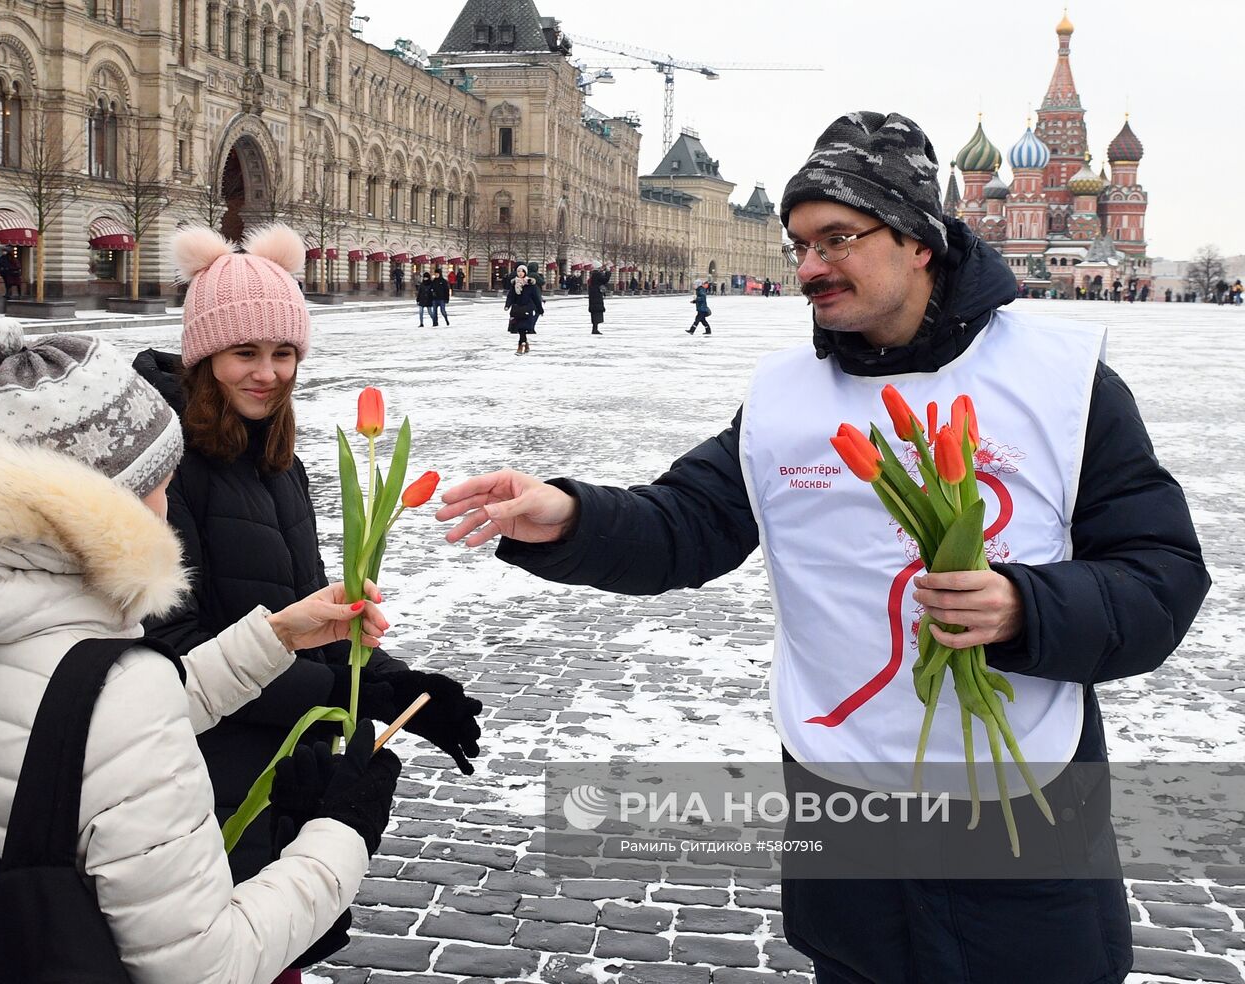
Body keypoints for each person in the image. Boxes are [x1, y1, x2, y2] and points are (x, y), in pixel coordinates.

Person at [435, 111, 1210, 984]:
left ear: (919, 239)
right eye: (799, 243)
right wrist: (571, 517)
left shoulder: (1062, 383)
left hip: (1020, 801)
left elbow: (1164, 576)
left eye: (837, 238)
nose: (807, 267)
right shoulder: (786, 398)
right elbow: (689, 523)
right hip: (845, 804)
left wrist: (1027, 606)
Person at [0, 318, 403, 984]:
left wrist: (279, 635)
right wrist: (343, 831)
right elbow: (206, 967)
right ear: (104, 500)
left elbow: (78, 727)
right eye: (161, 481)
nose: (169, 503)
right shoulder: (117, 688)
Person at [133, 225, 483, 980]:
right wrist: (334, 691)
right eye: (245, 353)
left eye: (283, 353)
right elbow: (174, 646)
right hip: (202, 784)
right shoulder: (168, 468)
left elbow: (307, 612)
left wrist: (389, 681)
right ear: (203, 356)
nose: (267, 373)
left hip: (281, 764)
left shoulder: (275, 456)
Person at [505, 262, 544, 355]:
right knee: (519, 329)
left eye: (522, 272)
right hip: (517, 309)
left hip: (527, 309)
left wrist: (540, 309)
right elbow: (510, 296)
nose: (520, 273)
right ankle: (525, 344)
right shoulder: (514, 284)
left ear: (525, 273)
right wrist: (507, 305)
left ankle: (520, 347)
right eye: (518, 271)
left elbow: (536, 298)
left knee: (522, 328)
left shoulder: (530, 284)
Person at [587, 266, 610, 335]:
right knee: (597, 313)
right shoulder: (597, 275)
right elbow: (605, 280)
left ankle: (595, 328)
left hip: (593, 297)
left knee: (594, 314)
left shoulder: (593, 276)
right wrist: (608, 272)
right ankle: (595, 329)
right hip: (596, 298)